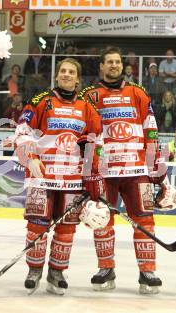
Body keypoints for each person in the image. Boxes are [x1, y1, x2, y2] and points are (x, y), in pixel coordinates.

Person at [80, 46, 173, 294]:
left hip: (136, 170)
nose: (114, 65)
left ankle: (147, 271)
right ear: (101, 66)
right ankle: (106, 268)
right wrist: (89, 171)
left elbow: (151, 130)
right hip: (104, 172)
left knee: (145, 221)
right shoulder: (89, 95)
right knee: (101, 221)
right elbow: (85, 135)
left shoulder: (138, 92)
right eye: (109, 62)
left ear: (123, 65)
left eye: (117, 62)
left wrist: (157, 169)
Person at [13, 57, 103, 295]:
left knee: (66, 228)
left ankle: (57, 272)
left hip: (71, 180)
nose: (66, 74)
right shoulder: (41, 101)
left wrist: (91, 174)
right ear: (57, 76)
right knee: (37, 226)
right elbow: (22, 130)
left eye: (71, 72)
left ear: (77, 78)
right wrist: (30, 156)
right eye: (62, 71)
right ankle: (34, 270)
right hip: (42, 176)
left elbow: (96, 141)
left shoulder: (86, 107)